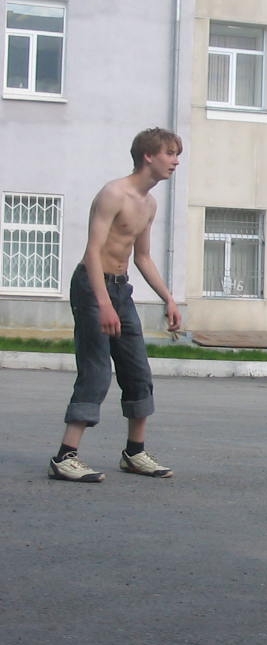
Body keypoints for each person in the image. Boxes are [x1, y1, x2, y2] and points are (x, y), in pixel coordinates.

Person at [48, 127, 184, 482]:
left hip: (121, 290)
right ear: (148, 156)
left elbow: (142, 257)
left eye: (177, 154)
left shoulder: (149, 204)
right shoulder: (113, 194)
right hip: (93, 287)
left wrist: (169, 298)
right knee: (96, 370)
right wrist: (103, 303)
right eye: (170, 153)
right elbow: (93, 251)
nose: (176, 161)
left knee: (137, 370)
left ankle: (134, 453)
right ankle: (65, 457)